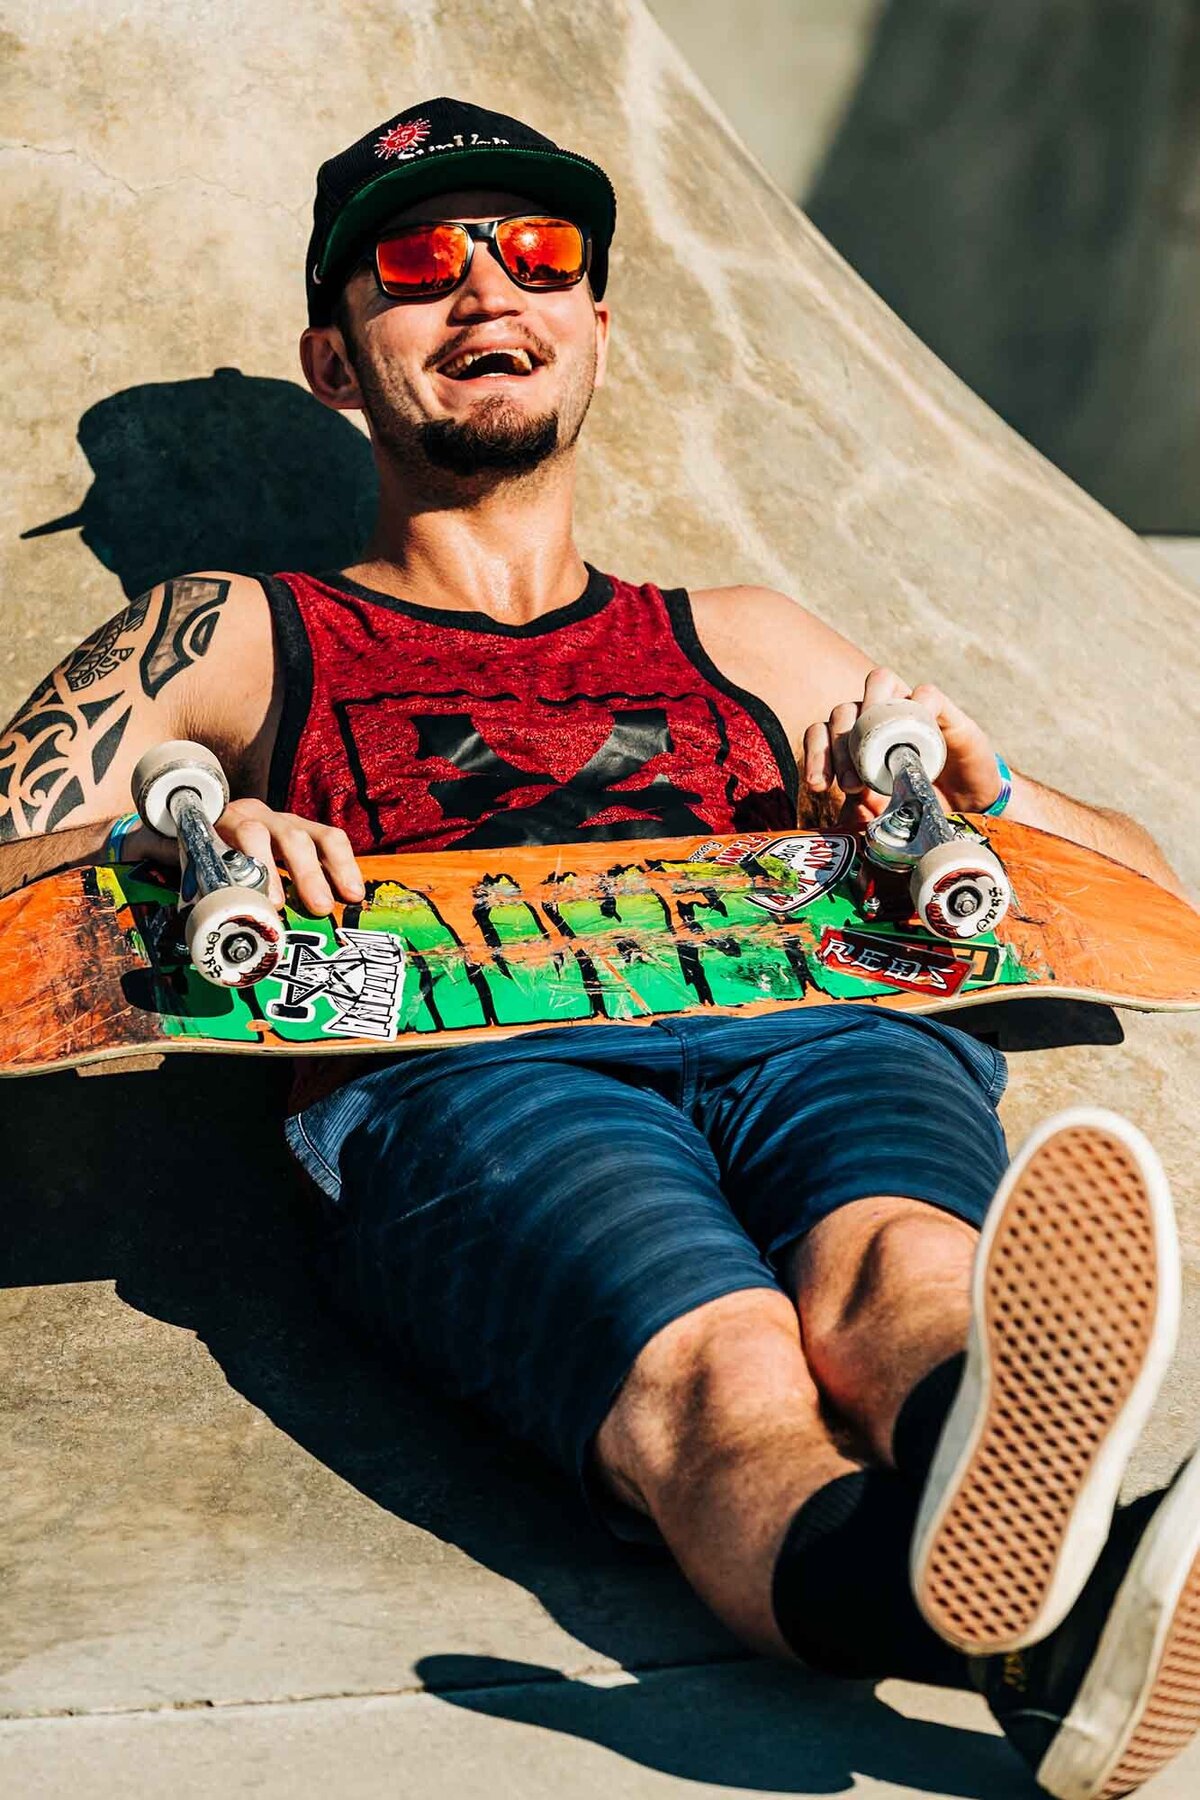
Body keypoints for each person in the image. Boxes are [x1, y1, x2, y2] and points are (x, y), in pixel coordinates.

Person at [2, 96, 1198, 1799]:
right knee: (722, 1384)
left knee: (908, 1279)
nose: (488, 291)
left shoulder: (745, 638)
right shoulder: (230, 631)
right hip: (467, 1068)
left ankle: (1041, 1576)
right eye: (418, 264)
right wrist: (165, 847)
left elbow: (1146, 888)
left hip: (814, 1019)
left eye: (540, 254)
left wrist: (981, 788)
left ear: (596, 331)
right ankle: (1080, 1606)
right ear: (338, 363)